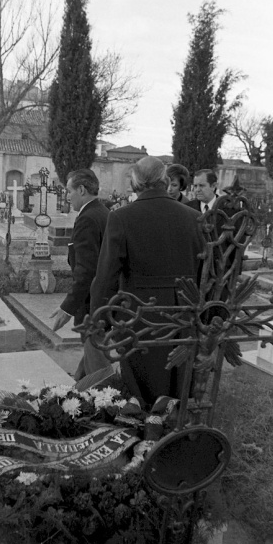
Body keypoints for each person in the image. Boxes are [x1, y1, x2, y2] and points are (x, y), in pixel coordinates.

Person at [90, 156, 204, 407]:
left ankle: (142, 435)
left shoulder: (122, 217)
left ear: (136, 181)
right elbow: (207, 271)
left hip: (139, 313)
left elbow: (107, 274)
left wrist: (98, 320)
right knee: (178, 381)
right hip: (183, 312)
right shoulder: (194, 217)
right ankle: (176, 430)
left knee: (140, 388)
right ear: (164, 180)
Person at [50, 168, 111, 381]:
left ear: (82, 190)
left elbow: (85, 270)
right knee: (93, 354)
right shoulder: (103, 212)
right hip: (104, 299)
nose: (67, 196)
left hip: (91, 303)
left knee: (99, 368)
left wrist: (67, 307)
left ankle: (105, 403)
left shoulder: (87, 218)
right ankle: (78, 382)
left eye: (69, 191)